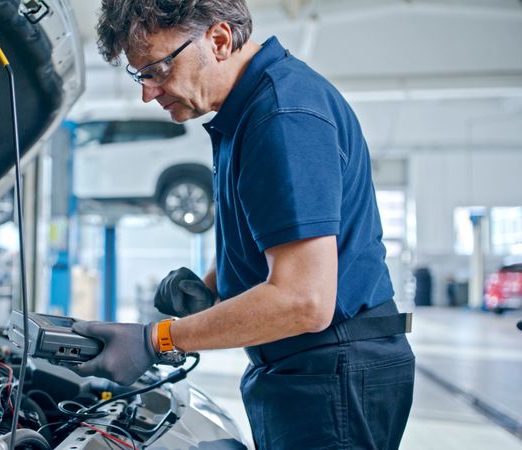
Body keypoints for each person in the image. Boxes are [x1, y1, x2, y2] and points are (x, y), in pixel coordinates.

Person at [69, 1, 415, 449]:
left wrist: (158, 341)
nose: (148, 93)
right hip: (309, 365)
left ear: (218, 40)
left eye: (156, 69)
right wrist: (213, 288)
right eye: (141, 76)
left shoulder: (283, 117)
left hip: (332, 368)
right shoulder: (248, 112)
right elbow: (275, 237)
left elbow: (303, 299)